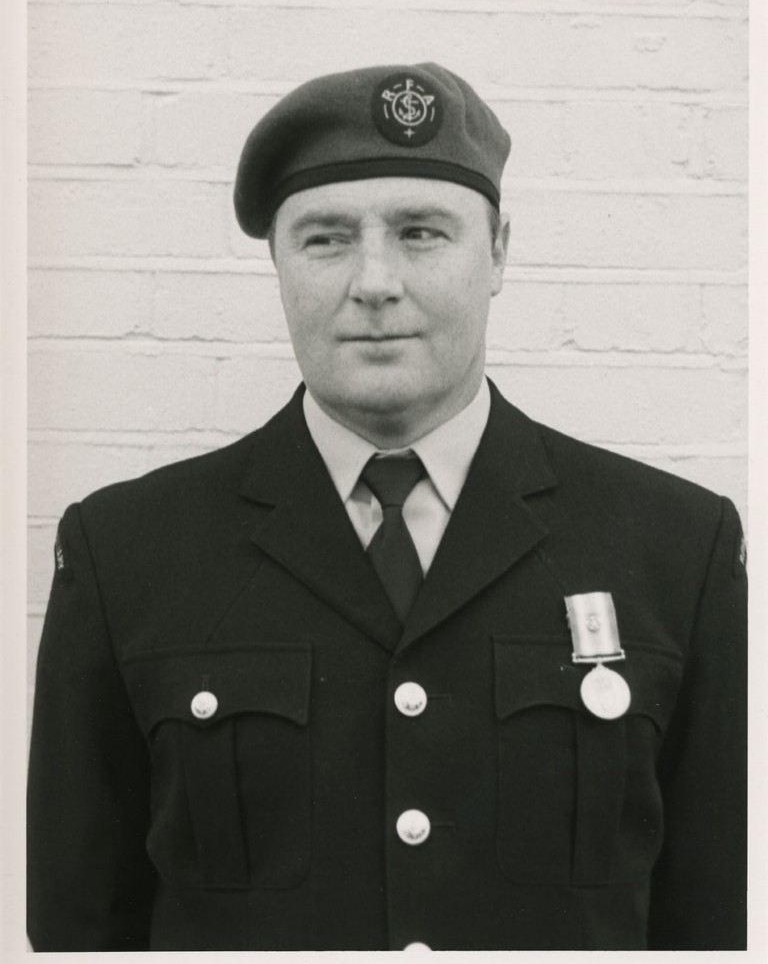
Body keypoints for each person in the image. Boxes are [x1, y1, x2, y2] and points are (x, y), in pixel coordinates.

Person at [27, 62, 747, 952]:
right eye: (326, 238)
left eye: (419, 232)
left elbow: (718, 918)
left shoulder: (679, 548)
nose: (374, 281)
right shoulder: (124, 553)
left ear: (501, 252)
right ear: (280, 263)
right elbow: (80, 924)